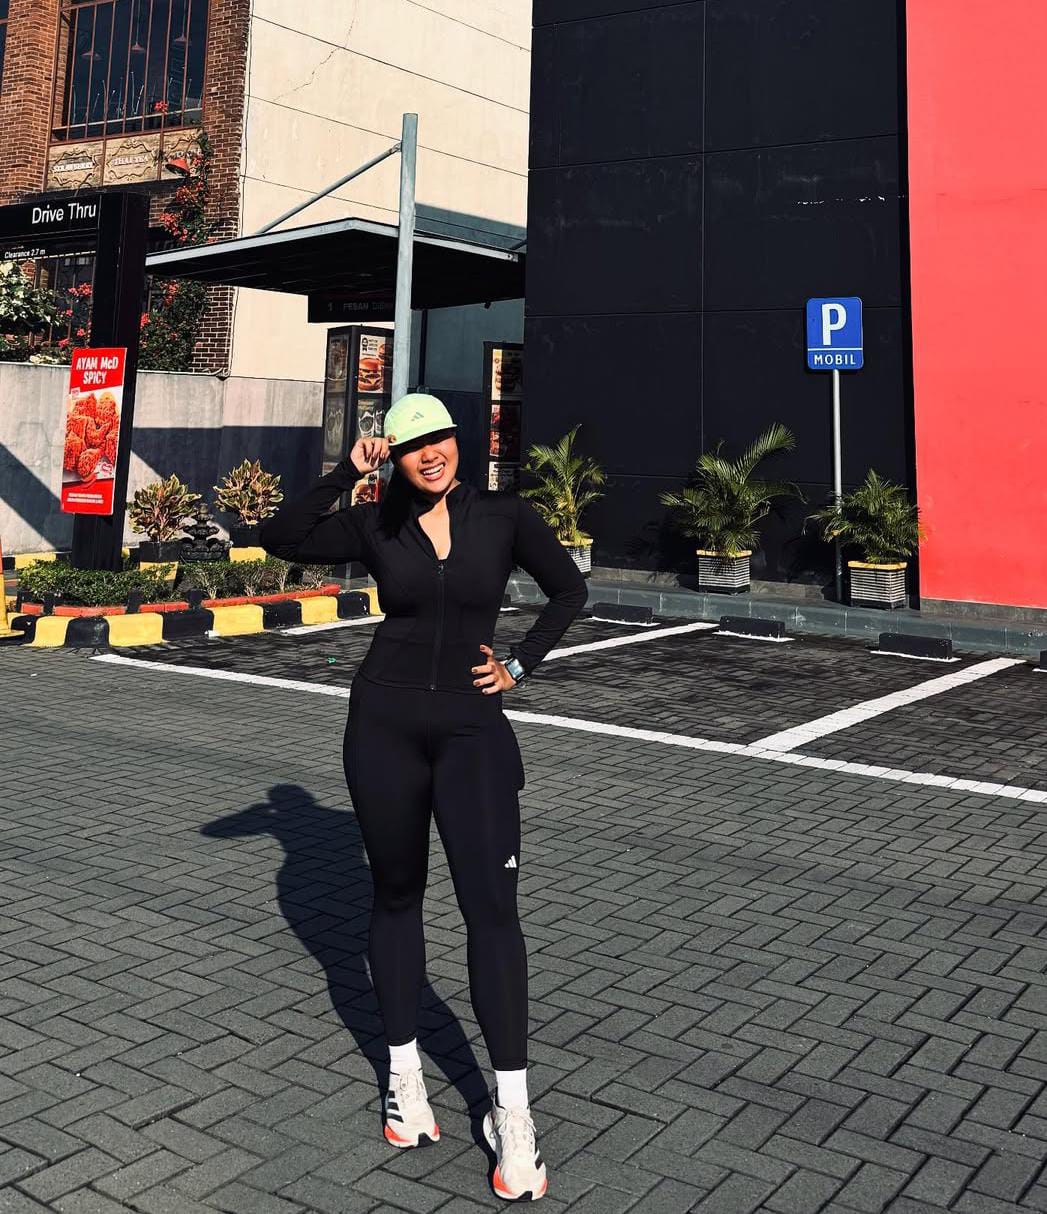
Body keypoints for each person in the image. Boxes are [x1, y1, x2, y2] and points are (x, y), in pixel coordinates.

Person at [260, 393, 587, 1202]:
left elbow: (567, 591)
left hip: (474, 735)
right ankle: (405, 1081)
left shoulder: (504, 515)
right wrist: (345, 470)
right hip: (384, 728)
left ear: (456, 441)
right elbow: (282, 538)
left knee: (492, 912)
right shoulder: (375, 523)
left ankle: (512, 1114)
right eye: (412, 446)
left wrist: (519, 665)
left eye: (439, 438)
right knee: (396, 896)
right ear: (395, 458)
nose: (430, 453)